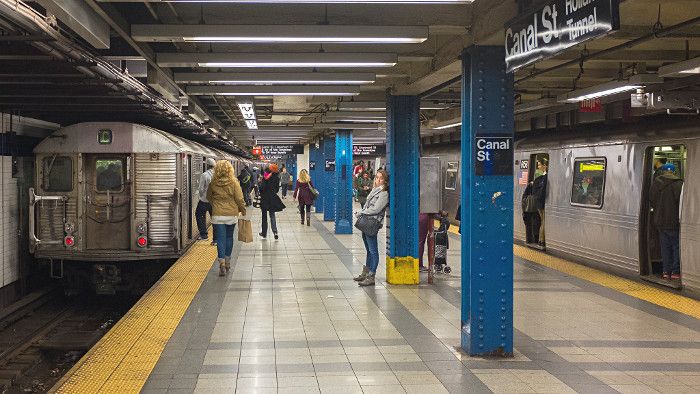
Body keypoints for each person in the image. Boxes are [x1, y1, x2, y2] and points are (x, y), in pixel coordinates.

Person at [207, 160, 246, 276]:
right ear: (230, 170)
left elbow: (209, 197)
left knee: (220, 239)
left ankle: (221, 263)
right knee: (229, 237)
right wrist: (243, 209)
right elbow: (239, 199)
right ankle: (228, 262)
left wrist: (216, 205)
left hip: (217, 215)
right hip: (231, 214)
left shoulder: (213, 183)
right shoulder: (234, 182)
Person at [354, 169, 389, 287]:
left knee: (373, 251)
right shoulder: (375, 190)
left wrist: (362, 213)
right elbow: (368, 205)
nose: (378, 180)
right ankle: (365, 273)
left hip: (372, 223)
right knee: (368, 250)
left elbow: (376, 209)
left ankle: (371, 275)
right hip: (366, 222)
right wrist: (362, 212)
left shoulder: (384, 193)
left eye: (381, 178)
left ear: (385, 180)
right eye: (377, 177)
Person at [649, 163, 683, 280]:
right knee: (676, 247)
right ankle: (675, 272)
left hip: (659, 222)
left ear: (663, 172)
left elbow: (652, 200)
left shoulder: (656, 184)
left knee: (665, 248)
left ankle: (665, 271)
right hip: (673, 222)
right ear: (674, 172)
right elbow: (681, 203)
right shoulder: (679, 184)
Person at [259, 163, 284, 240]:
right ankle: (275, 232)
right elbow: (276, 190)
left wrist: (260, 184)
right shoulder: (276, 178)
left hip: (264, 199)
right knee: (272, 215)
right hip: (272, 198)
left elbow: (262, 188)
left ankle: (264, 233)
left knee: (264, 216)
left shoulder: (265, 176)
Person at [196, 158, 216, 243]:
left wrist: (201, 196)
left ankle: (204, 235)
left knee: (199, 215)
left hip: (204, 201)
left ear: (207, 165)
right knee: (215, 220)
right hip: (214, 202)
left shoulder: (204, 175)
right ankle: (215, 240)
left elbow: (201, 188)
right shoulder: (217, 175)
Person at [531, 158, 548, 247]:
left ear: (545, 166)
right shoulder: (542, 178)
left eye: (539, 165)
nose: (538, 166)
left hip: (540, 203)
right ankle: (542, 241)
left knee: (543, 222)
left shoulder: (542, 178)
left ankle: (541, 241)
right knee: (543, 222)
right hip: (541, 204)